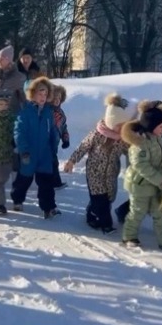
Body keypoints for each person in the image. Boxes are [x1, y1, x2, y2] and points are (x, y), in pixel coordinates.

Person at [63, 93, 131, 234]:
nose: (122, 128)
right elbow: (83, 147)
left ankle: (92, 212)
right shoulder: (97, 134)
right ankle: (106, 225)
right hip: (95, 174)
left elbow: (130, 151)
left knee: (108, 198)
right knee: (101, 201)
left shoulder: (121, 139)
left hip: (111, 174)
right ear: (112, 122)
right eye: (120, 125)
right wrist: (71, 161)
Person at [120, 107, 162, 250]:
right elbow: (142, 166)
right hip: (140, 186)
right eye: (160, 126)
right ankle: (129, 237)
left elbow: (161, 159)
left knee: (160, 212)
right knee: (137, 212)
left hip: (156, 185)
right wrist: (160, 180)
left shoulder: (159, 140)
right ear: (150, 126)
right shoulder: (139, 144)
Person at [115, 99, 162, 224]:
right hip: (143, 170)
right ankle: (124, 213)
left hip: (155, 168)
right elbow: (137, 153)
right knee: (143, 195)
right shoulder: (143, 131)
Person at [11, 77, 61, 219]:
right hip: (29, 153)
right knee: (24, 180)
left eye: (45, 94)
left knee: (46, 183)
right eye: (40, 93)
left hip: (44, 154)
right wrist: (23, 150)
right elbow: (19, 132)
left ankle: (48, 207)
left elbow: (52, 131)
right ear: (32, 94)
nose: (43, 97)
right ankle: (17, 199)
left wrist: (53, 148)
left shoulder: (48, 113)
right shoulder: (25, 112)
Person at [0, 45, 26, 114]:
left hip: (12, 115)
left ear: (8, 60)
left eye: (2, 59)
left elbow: (25, 98)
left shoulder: (18, 77)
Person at [50, 85, 70, 190]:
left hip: (55, 143)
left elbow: (64, 127)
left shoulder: (61, 113)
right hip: (46, 143)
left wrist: (65, 139)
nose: (56, 100)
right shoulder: (47, 111)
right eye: (54, 98)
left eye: (58, 98)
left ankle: (54, 183)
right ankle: (55, 183)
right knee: (52, 162)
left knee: (53, 162)